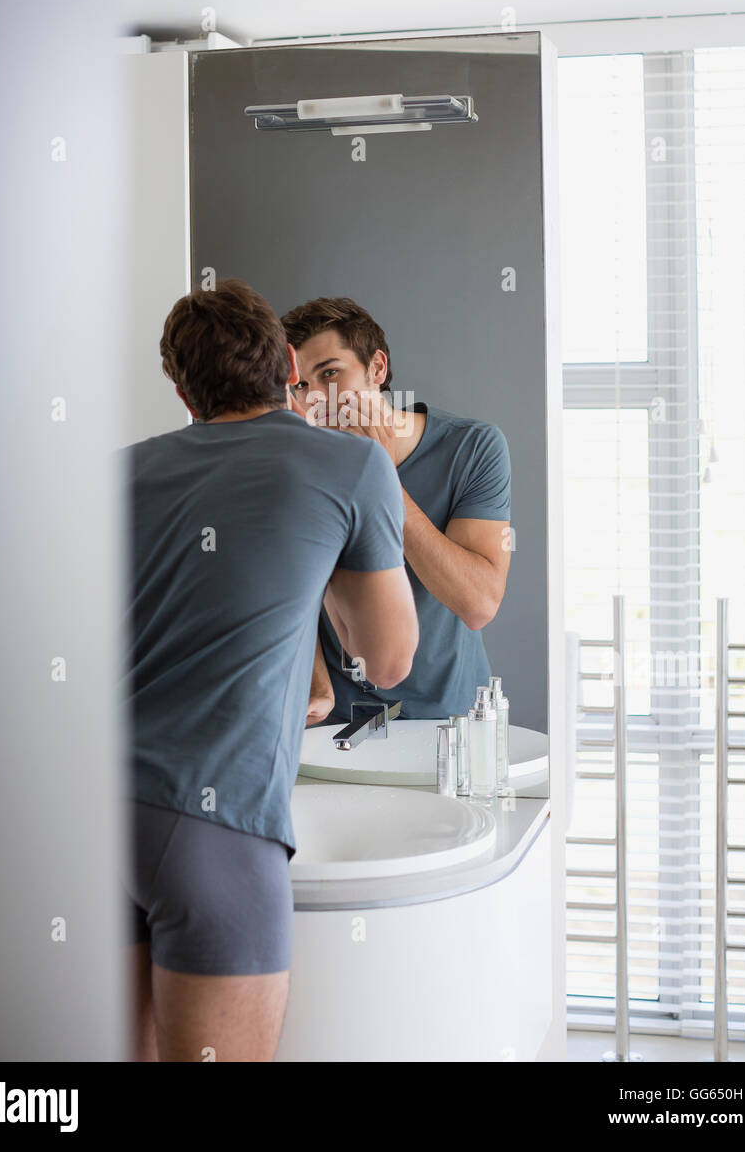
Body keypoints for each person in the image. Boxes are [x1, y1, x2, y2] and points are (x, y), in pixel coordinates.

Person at [120, 279, 418, 1062]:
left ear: (183, 393)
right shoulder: (352, 466)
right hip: (214, 826)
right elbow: (388, 661)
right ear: (289, 363)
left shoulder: (120, 471)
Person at [281, 296, 511, 726]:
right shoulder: (299, 465)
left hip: (447, 723)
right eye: (299, 385)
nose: (315, 398)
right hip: (336, 724)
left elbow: (478, 603)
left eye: (330, 373)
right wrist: (315, 682)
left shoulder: (473, 447)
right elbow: (298, 588)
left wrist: (381, 478)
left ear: (377, 369)